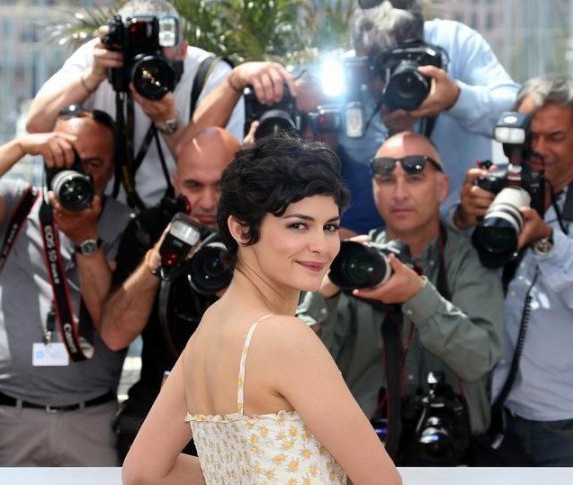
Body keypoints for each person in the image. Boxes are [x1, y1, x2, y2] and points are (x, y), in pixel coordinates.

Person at [122, 135, 401, 484]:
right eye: (298, 225)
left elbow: (143, 473)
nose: (321, 246)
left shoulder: (212, 325)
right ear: (241, 229)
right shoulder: (283, 337)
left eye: (329, 226)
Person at [457, 75, 573, 466]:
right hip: (491, 414)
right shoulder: (497, 187)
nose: (539, 150)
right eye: (530, 136)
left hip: (566, 420)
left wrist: (546, 241)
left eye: (555, 137)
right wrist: (461, 215)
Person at [0, 107, 131, 466]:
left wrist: (87, 238)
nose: (78, 174)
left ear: (112, 168)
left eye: (93, 164)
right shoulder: (19, 204)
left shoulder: (126, 223)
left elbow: (112, 322)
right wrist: (21, 146)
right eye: (68, 160)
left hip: (91, 415)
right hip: (11, 413)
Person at [298, 133, 504, 454]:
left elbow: (480, 360)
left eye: (414, 178)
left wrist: (418, 296)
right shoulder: (351, 261)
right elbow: (303, 370)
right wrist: (323, 295)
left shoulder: (469, 260)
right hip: (362, 454)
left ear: (442, 187)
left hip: (451, 456)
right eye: (386, 180)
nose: (399, 192)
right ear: (374, 190)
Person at [100, 126, 241, 462]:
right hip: (159, 407)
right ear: (176, 182)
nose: (208, 201)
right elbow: (114, 334)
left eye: (221, 186)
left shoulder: (263, 231)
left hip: (240, 412)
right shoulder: (150, 229)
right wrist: (157, 260)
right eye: (194, 185)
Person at [25, 0, 245, 210]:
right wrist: (92, 78)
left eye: (160, 47)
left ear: (183, 49)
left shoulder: (211, 76)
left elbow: (212, 171)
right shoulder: (97, 59)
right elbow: (36, 127)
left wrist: (168, 122)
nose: (147, 61)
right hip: (106, 216)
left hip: (183, 214)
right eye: (133, 48)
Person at [339, 1, 518, 235]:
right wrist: (395, 136)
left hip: (470, 229)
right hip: (400, 238)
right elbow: (358, 155)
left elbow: (514, 111)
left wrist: (456, 98)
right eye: (381, 68)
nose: (391, 78)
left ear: (420, 42)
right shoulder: (355, 69)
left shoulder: (454, 42)